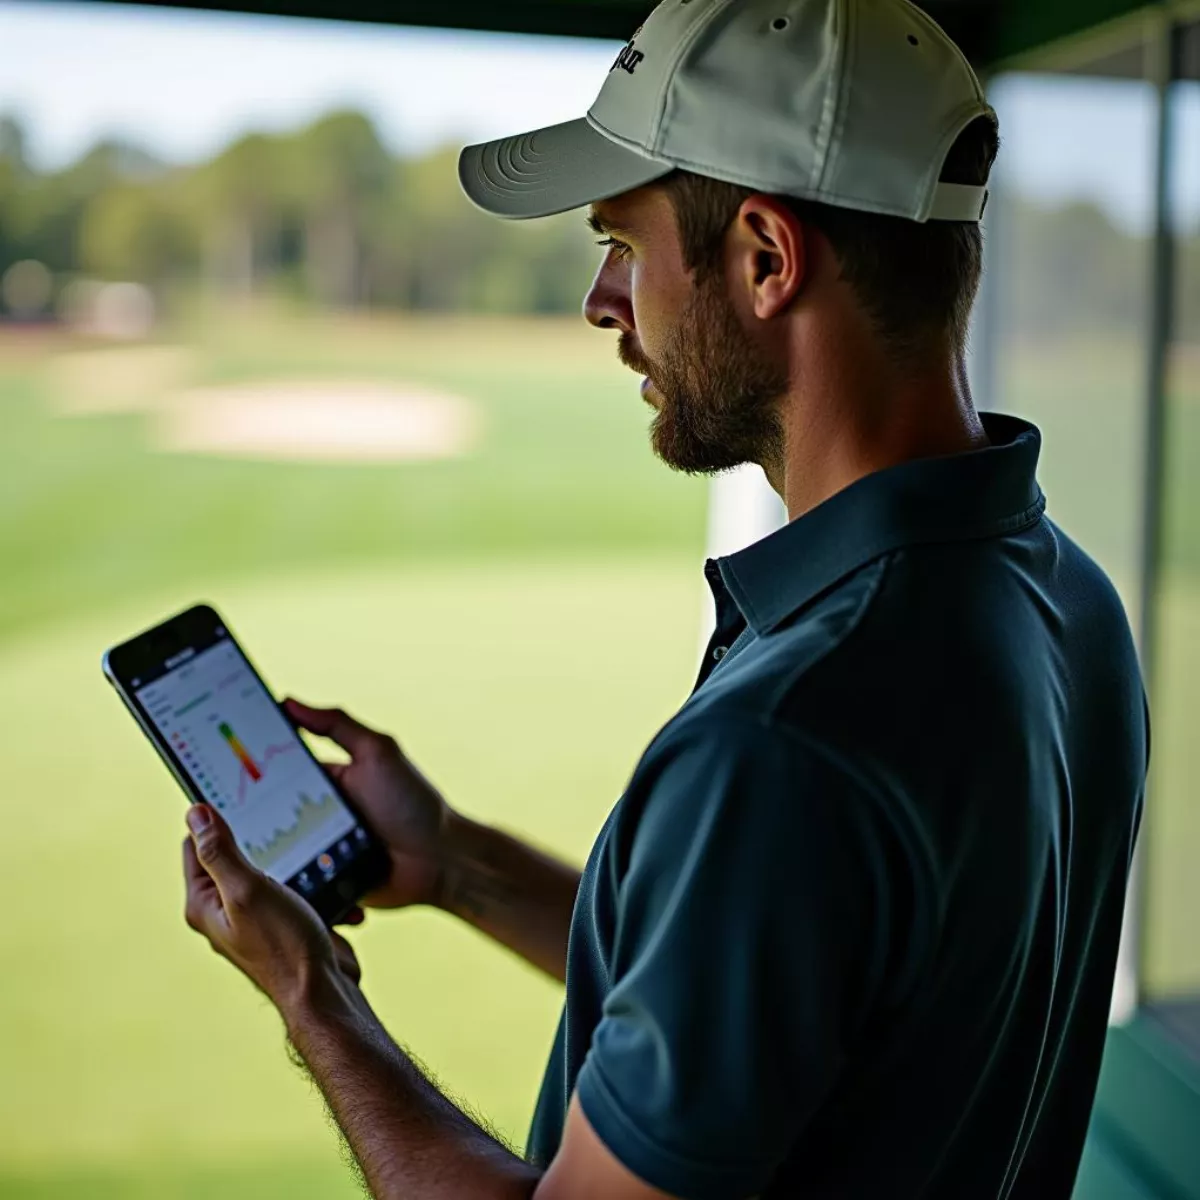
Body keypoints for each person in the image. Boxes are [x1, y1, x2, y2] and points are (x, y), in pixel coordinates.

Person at [180, 0, 1149, 1196]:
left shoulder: (788, 741)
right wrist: (460, 867)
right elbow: (777, 980)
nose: (601, 301)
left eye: (624, 246)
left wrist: (311, 997)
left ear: (765, 258)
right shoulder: (1068, 602)